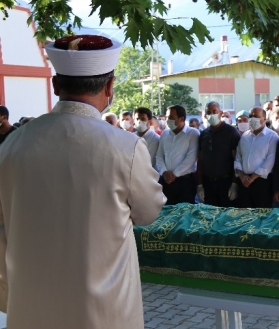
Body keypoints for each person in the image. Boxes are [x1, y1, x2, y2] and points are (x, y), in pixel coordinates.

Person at [0, 35, 166, 328]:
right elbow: (149, 211)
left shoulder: (12, 144)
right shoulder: (125, 147)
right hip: (101, 312)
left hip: (31, 306)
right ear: (110, 87)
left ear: (55, 85)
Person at [197, 102, 240, 207]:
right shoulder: (203, 134)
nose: (212, 114)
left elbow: (236, 159)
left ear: (220, 113)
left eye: (214, 111)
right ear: (205, 115)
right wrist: (200, 184)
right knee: (210, 213)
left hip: (226, 182)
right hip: (208, 183)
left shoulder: (231, 132)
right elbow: (200, 160)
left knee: (226, 214)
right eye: (208, 112)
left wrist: (234, 183)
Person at [155, 105, 200, 205]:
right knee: (167, 210)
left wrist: (174, 174)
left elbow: (191, 158)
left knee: (185, 211)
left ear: (181, 119)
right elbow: (159, 156)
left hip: (185, 182)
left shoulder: (192, 133)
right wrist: (164, 172)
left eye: (171, 117)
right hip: (166, 181)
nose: (168, 120)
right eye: (167, 117)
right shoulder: (165, 134)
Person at [234, 107, 278, 208]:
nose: (253, 119)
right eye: (251, 116)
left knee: (261, 213)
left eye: (256, 116)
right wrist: (242, 176)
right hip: (244, 182)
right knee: (245, 213)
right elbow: (238, 157)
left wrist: (252, 178)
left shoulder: (272, 136)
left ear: (264, 119)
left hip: (262, 182)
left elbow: (270, 161)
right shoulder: (244, 136)